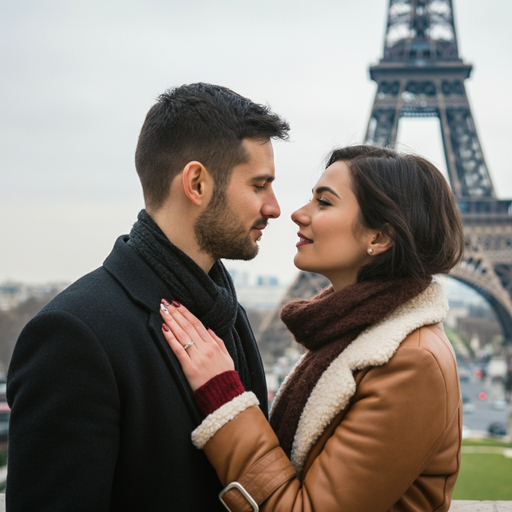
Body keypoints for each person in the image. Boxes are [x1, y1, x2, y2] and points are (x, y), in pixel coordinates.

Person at [6, 83, 289, 511]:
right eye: (259, 185)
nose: (275, 207)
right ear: (196, 183)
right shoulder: (73, 335)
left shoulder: (230, 315)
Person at [160, 145, 465, 512]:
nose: (298, 214)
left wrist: (224, 396)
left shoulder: (412, 362)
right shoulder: (354, 334)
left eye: (324, 202)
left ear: (379, 238)